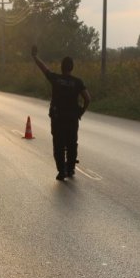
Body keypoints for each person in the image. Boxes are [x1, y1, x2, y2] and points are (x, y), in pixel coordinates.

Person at [31, 45, 91, 180]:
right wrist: (81, 112)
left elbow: (44, 68)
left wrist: (35, 57)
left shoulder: (56, 79)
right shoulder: (77, 82)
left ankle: (61, 171)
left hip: (57, 119)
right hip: (72, 119)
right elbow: (88, 98)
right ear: (72, 68)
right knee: (71, 144)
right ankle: (70, 169)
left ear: (61, 67)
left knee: (58, 145)